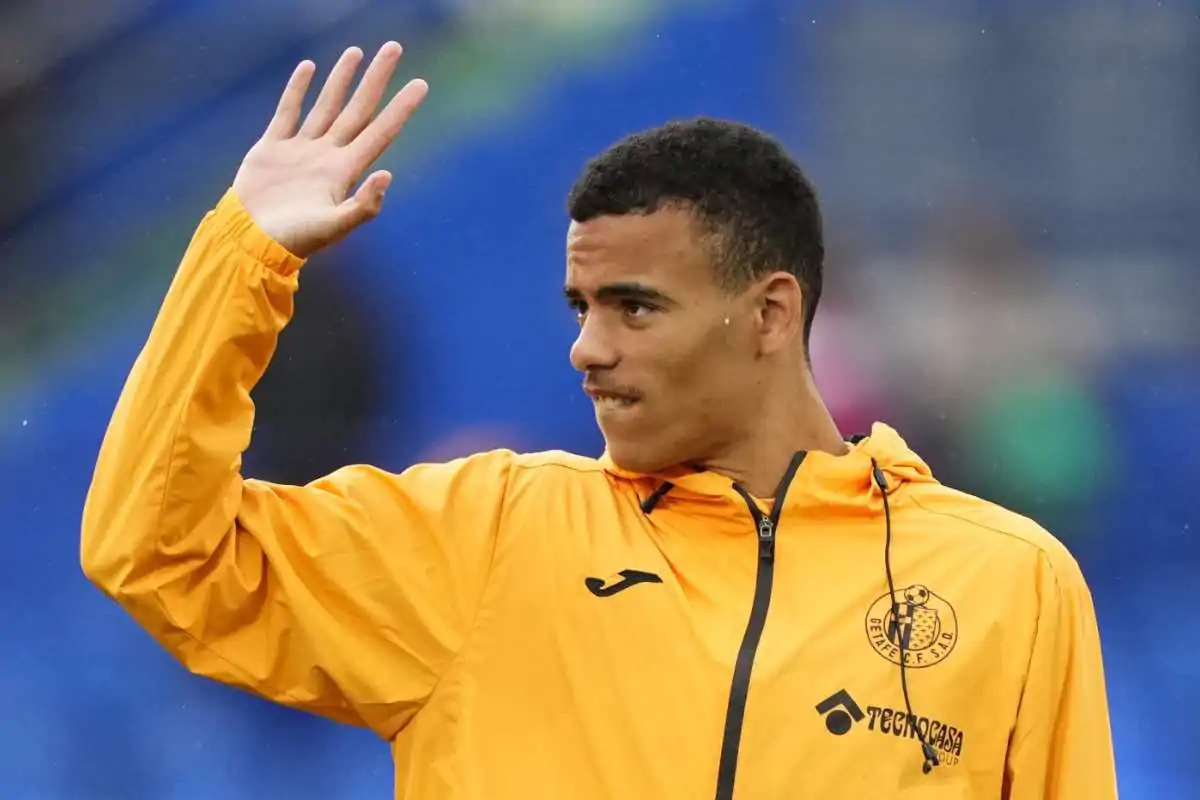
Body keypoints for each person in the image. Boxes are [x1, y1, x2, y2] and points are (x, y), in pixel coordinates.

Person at [80, 42, 1118, 799]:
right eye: (581, 308)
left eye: (636, 307)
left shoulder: (1010, 582)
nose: (587, 347)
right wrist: (244, 256)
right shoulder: (485, 535)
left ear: (771, 313)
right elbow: (158, 551)